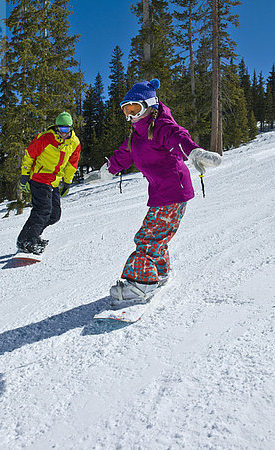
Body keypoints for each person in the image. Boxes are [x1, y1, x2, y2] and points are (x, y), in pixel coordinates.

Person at [98, 79, 221, 303]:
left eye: (135, 109)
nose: (131, 115)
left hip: (173, 191)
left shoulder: (161, 125)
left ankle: (141, 285)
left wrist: (194, 152)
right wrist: (106, 171)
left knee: (148, 237)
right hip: (161, 192)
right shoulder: (138, 133)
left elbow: (179, 136)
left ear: (150, 106)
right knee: (157, 235)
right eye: (126, 110)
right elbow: (125, 154)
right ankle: (159, 272)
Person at [16, 111, 81, 255]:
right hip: (39, 178)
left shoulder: (74, 143)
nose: (63, 133)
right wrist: (25, 176)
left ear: (71, 128)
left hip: (54, 182)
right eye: (60, 129)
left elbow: (72, 164)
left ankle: (28, 236)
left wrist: (67, 182)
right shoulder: (45, 138)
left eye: (66, 129)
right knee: (43, 211)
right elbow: (29, 155)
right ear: (56, 128)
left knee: (54, 215)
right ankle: (29, 241)